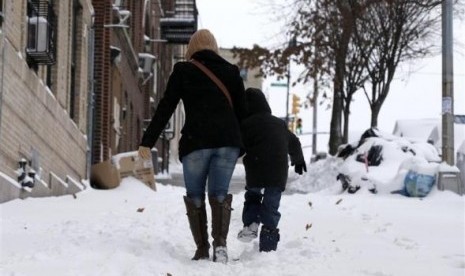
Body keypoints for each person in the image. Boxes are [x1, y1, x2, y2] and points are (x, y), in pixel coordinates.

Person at [138, 29, 247, 263]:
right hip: (227, 142)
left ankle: (202, 248)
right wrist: (243, 145)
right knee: (219, 194)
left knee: (195, 195)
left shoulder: (184, 70)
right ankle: (220, 246)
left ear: (192, 48)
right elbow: (242, 113)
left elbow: (166, 106)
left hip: (197, 142)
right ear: (215, 46)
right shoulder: (232, 72)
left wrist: (147, 141)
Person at [237, 87, 306, 252]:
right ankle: (268, 245)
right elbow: (294, 141)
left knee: (253, 195)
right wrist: (298, 160)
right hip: (277, 170)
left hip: (256, 166)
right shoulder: (279, 123)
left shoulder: (246, 124)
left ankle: (251, 224)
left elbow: (239, 145)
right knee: (271, 205)